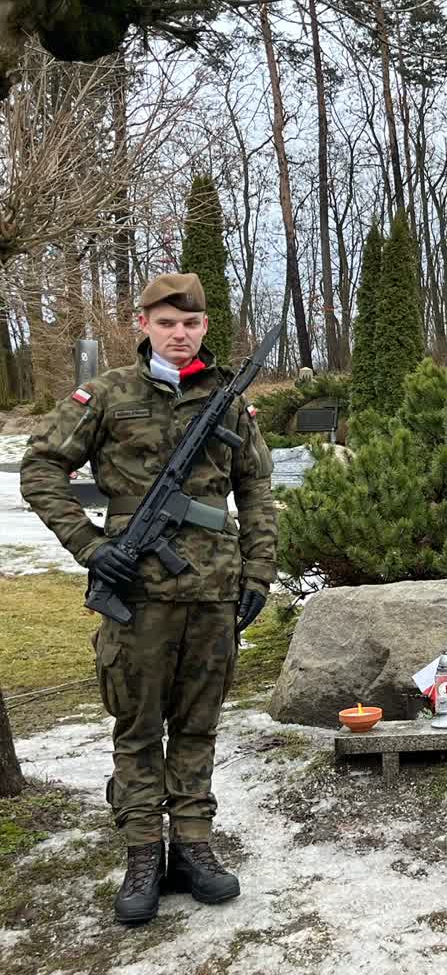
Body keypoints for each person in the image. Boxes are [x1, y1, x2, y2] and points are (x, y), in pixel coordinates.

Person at [20, 273, 277, 923]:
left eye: (190, 323)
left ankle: (192, 845)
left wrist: (256, 574)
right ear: (144, 324)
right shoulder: (108, 393)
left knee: (197, 726)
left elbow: (256, 491)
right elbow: (41, 467)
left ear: (203, 327)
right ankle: (143, 854)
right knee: (137, 731)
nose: (179, 332)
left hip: (215, 591)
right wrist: (90, 546)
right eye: (166, 322)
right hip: (134, 594)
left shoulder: (227, 399)